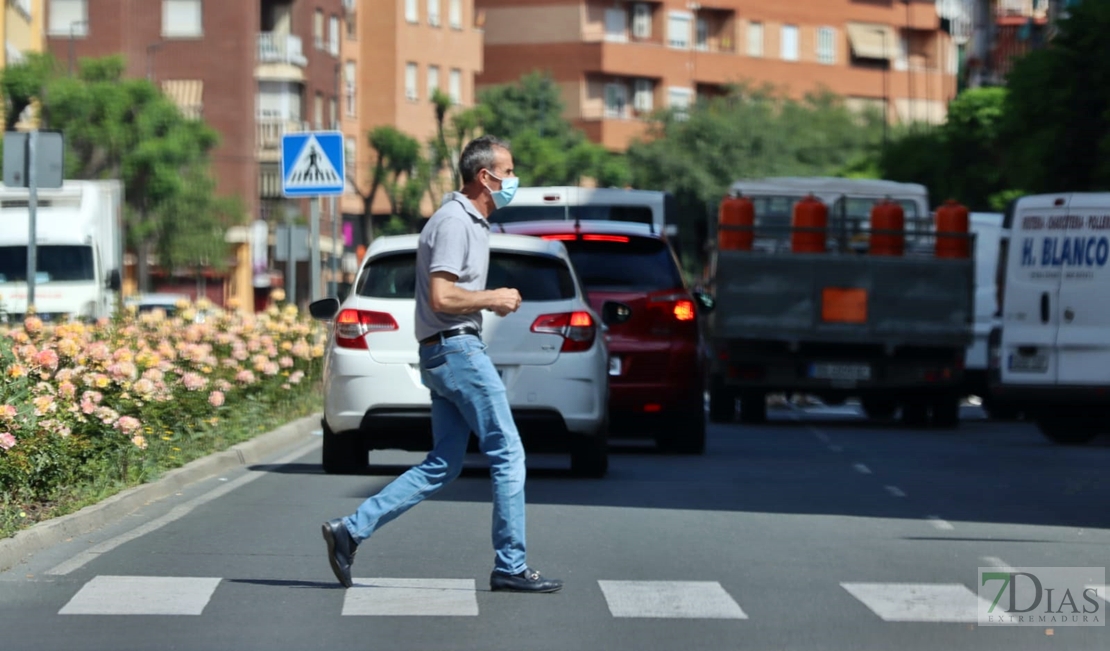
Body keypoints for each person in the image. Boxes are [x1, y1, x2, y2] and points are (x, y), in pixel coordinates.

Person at [321, 135, 563, 594]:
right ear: (484, 177)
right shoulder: (455, 222)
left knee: (443, 464)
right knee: (508, 452)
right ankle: (510, 566)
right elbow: (442, 295)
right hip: (456, 350)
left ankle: (350, 530)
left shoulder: (470, 221)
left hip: (445, 350)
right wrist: (492, 298)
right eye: (508, 172)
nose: (513, 181)